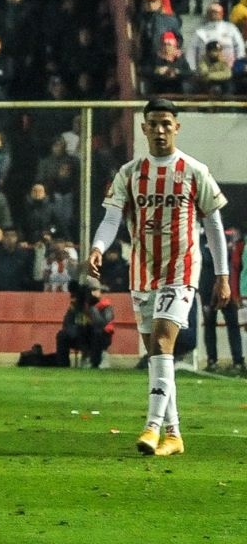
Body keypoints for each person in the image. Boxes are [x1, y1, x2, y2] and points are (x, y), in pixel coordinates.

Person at [87, 98, 230, 458]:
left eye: (167, 123)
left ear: (176, 127)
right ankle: (174, 434)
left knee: (164, 342)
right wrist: (98, 247)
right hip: (142, 270)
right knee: (156, 352)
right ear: (144, 128)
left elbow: (214, 225)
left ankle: (151, 427)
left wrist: (223, 275)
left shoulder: (194, 170)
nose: (161, 130)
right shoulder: (130, 173)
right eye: (154, 123)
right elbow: (111, 218)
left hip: (181, 269)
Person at [200, 228, 245, 373]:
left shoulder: (226, 237)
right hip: (208, 288)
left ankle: (238, 361)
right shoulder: (202, 237)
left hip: (225, 287)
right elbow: (206, 259)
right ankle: (212, 361)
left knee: (232, 323)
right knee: (210, 324)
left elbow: (230, 259)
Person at [55, 277, 115, 368]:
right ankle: (63, 366)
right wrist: (75, 332)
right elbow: (67, 324)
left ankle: (95, 363)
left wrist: (91, 309)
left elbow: (102, 324)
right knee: (61, 335)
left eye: (95, 290)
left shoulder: (105, 306)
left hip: (99, 338)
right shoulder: (76, 306)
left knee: (97, 333)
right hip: (81, 336)